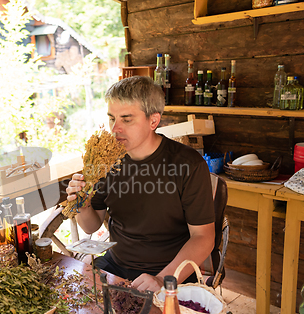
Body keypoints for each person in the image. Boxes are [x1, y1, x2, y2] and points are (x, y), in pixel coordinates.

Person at [66, 76, 215, 292]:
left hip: (171, 272)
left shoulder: (188, 164)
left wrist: (163, 279)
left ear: (153, 121)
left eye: (127, 119)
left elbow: (203, 237)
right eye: (111, 118)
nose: (115, 129)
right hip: (116, 264)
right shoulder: (105, 161)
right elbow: (91, 226)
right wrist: (82, 203)